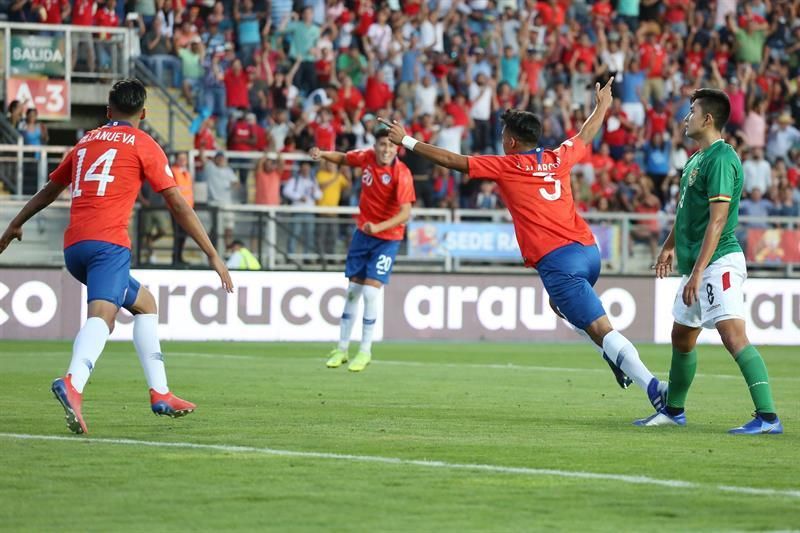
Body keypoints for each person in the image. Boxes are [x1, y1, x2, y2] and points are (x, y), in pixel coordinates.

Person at [377, 78, 667, 414]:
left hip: (559, 260)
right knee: (559, 306)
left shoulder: (507, 166)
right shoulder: (557, 157)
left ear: (512, 142)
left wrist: (407, 141)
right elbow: (587, 133)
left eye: (503, 137)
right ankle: (614, 357)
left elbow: (453, 160)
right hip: (588, 251)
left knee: (602, 329)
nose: (501, 142)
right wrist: (602, 104)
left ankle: (654, 389)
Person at [0, 79, 233, 435]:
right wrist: (213, 255)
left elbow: (49, 190)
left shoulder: (85, 141)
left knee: (145, 304)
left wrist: (15, 224)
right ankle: (73, 383)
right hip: (108, 245)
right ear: (143, 113)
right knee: (103, 318)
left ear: (108, 111)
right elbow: (177, 204)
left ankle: (161, 392)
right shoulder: (144, 144)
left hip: (75, 248)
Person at [635, 88, 783, 434]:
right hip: (697, 265)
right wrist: (669, 246)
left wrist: (698, 272)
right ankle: (674, 411)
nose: (686, 118)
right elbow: (687, 213)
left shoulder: (721, 158)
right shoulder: (695, 159)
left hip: (718, 262)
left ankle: (768, 417)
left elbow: (717, 220)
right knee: (681, 336)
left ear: (708, 119)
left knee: (733, 335)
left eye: (691, 112)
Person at [309, 128, 416, 372]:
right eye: (382, 145)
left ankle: (365, 350)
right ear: (376, 146)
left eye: (391, 146)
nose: (386, 150)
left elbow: (405, 213)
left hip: (387, 239)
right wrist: (323, 154)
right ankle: (342, 348)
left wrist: (378, 226)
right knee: (352, 291)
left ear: (397, 148)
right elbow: (345, 158)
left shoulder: (402, 173)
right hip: (363, 235)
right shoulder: (367, 157)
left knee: (369, 293)